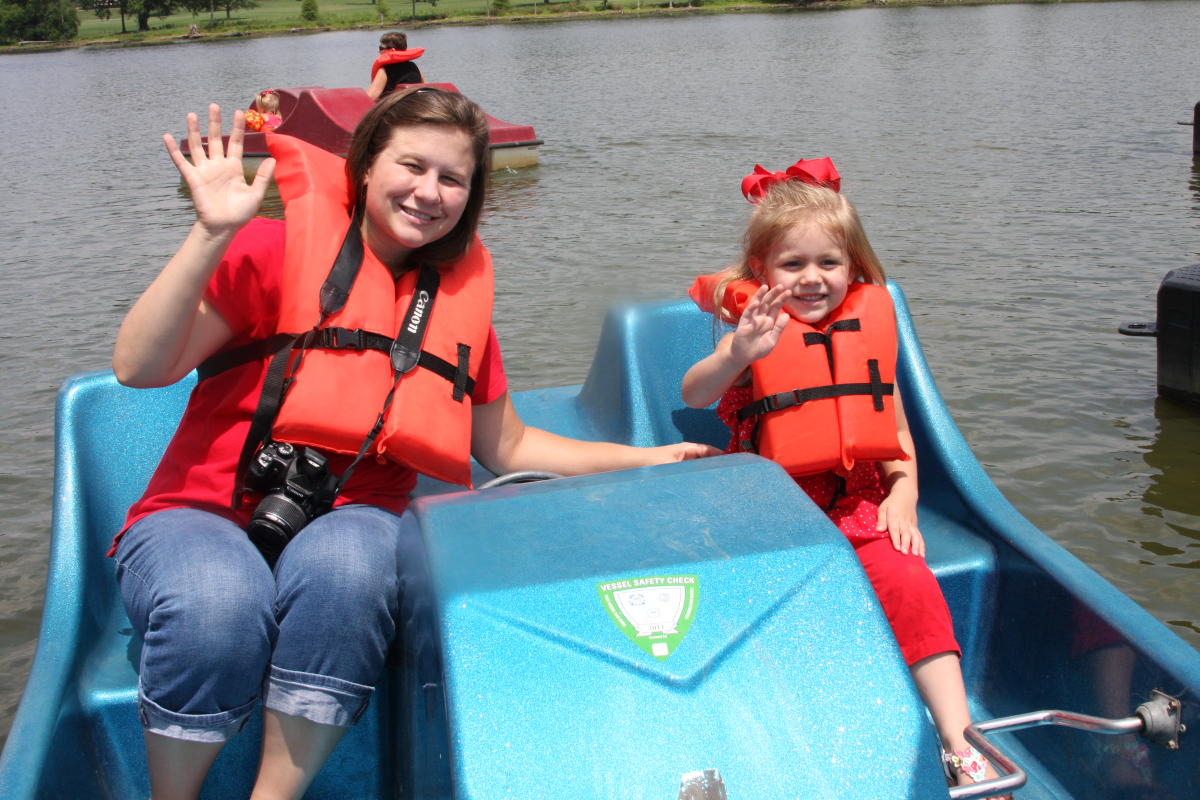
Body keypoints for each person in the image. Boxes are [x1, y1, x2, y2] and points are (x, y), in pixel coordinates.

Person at [111, 87, 717, 800]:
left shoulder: (461, 312)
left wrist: (647, 457)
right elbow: (138, 367)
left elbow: (509, 446)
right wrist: (211, 232)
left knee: (352, 572)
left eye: (452, 178)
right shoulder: (274, 251)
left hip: (349, 518)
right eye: (412, 166)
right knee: (219, 599)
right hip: (199, 515)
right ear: (365, 166)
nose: (429, 192)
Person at [681, 158, 1009, 795]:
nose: (812, 279)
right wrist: (736, 353)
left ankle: (959, 738)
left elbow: (897, 435)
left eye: (829, 263)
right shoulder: (758, 337)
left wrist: (905, 494)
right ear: (761, 274)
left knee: (910, 579)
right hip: (768, 506)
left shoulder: (866, 330)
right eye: (792, 264)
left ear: (854, 268)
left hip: (858, 503)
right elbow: (695, 395)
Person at [367, 30, 425, 101]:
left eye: (381, 48)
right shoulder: (413, 66)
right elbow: (426, 87)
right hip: (415, 104)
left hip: (395, 109)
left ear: (392, 50)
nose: (378, 51)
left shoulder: (384, 70)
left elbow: (370, 97)